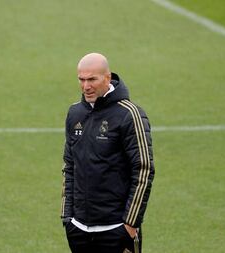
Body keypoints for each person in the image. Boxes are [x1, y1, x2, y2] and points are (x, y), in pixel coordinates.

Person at [61, 53, 155, 253]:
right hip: (78, 229)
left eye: (92, 79)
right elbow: (69, 166)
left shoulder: (130, 114)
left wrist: (130, 224)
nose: (86, 86)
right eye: (81, 79)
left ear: (107, 77)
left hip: (116, 229)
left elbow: (143, 170)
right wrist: (67, 217)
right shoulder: (75, 113)